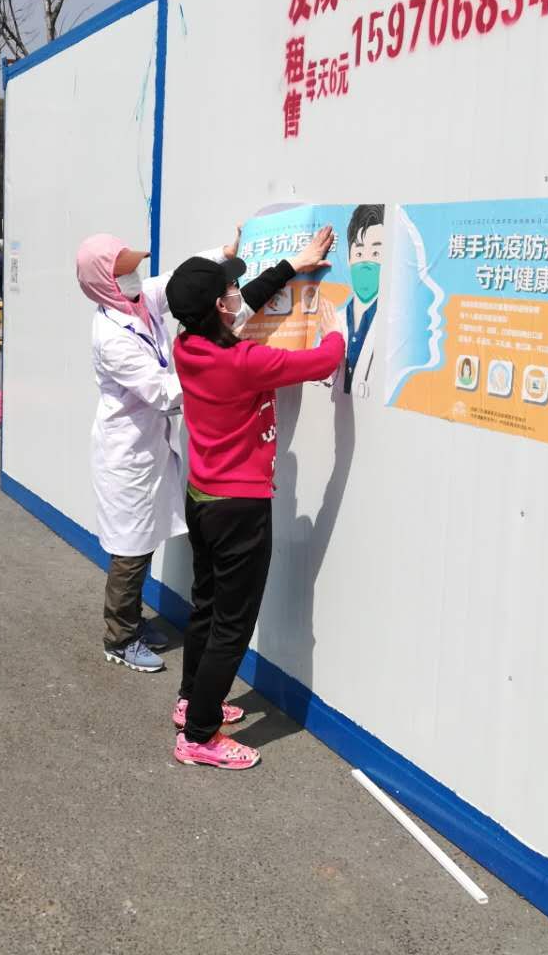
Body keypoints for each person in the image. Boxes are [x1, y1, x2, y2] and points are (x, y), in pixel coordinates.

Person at [76, 231, 330, 673]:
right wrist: (218, 377)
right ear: (104, 283)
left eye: (134, 266)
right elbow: (163, 392)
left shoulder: (143, 303)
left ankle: (133, 623)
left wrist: (223, 254)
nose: (136, 276)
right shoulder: (112, 338)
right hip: (127, 453)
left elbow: (182, 282)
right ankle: (120, 637)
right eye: (124, 272)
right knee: (131, 548)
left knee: (145, 541)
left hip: (159, 451)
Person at [164, 246, 345, 769]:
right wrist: (335, 330)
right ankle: (200, 736)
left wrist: (294, 265)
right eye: (228, 290)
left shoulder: (187, 344)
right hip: (239, 509)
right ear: (219, 307)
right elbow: (322, 361)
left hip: (203, 498)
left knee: (206, 606)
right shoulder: (242, 362)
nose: (235, 293)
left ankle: (191, 701)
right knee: (232, 624)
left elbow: (244, 305)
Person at [343, 204, 385, 394]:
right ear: (349, 258)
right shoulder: (334, 320)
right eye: (359, 253)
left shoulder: (389, 323)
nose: (366, 264)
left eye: (375, 253)